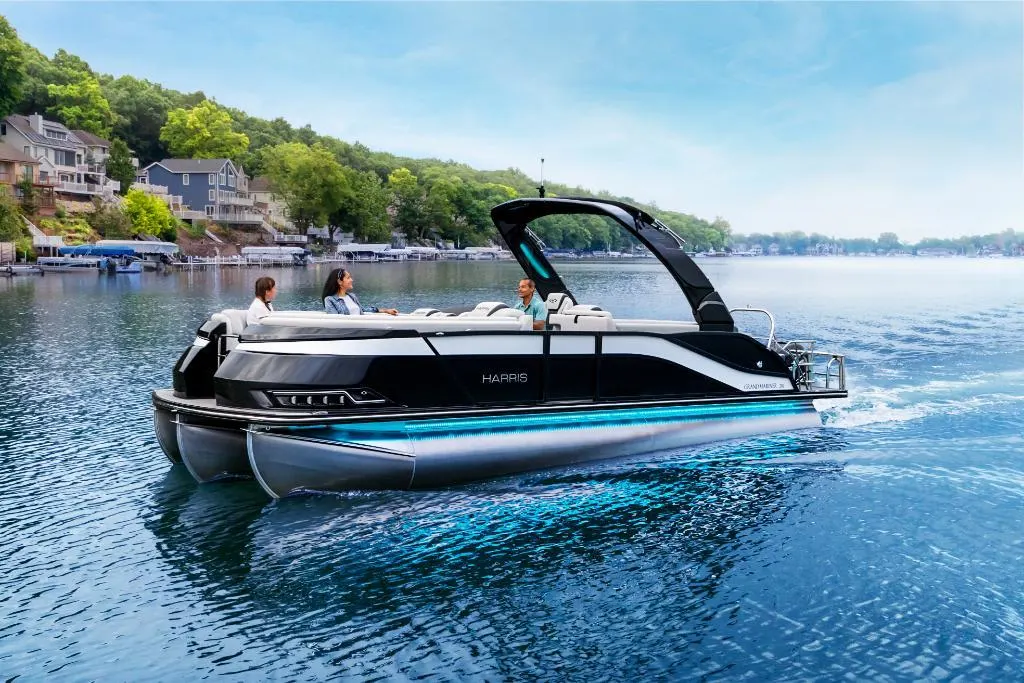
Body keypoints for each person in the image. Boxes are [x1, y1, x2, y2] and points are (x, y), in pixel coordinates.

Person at [321, 268, 398, 316]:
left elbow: (363, 310)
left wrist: (386, 310)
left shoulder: (352, 296)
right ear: (339, 282)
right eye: (348, 278)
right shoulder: (329, 300)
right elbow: (335, 320)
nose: (352, 280)